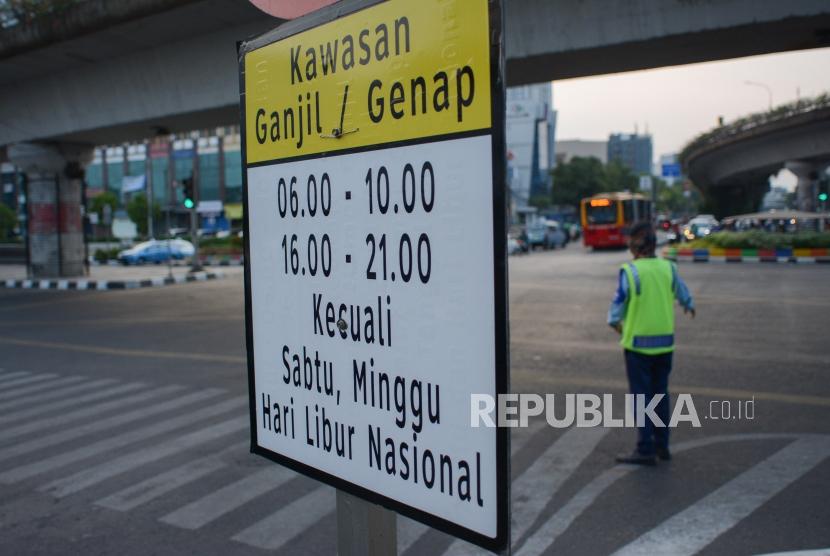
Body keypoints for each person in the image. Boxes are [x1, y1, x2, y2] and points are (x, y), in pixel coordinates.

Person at [608, 221, 695, 465]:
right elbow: (683, 293)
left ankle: (645, 448)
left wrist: (614, 322)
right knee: (660, 395)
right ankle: (662, 445)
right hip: (664, 345)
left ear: (634, 247)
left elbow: (618, 305)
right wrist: (689, 305)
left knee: (642, 398)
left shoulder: (631, 271)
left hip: (638, 347)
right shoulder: (669, 268)